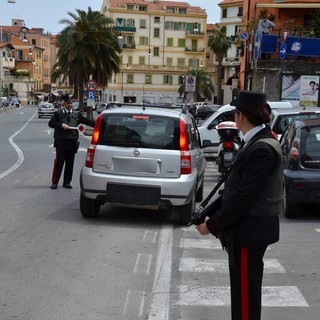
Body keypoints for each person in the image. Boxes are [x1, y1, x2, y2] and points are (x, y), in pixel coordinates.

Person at [196, 91, 283, 320]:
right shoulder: (255, 142)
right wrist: (209, 212)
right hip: (248, 230)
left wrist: (212, 225)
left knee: (245, 295)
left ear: (241, 115)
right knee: (244, 292)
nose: (235, 116)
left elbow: (244, 198)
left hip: (250, 231)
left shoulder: (261, 149)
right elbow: (236, 191)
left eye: (235, 112)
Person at [48, 96, 96, 189]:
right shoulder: (58, 114)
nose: (70, 105)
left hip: (72, 141)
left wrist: (98, 124)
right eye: (68, 103)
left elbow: (87, 121)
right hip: (61, 141)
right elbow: (51, 123)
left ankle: (67, 182)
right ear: (64, 104)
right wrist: (61, 125)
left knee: (70, 163)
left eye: (71, 103)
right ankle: (55, 182)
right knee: (59, 162)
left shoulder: (77, 114)